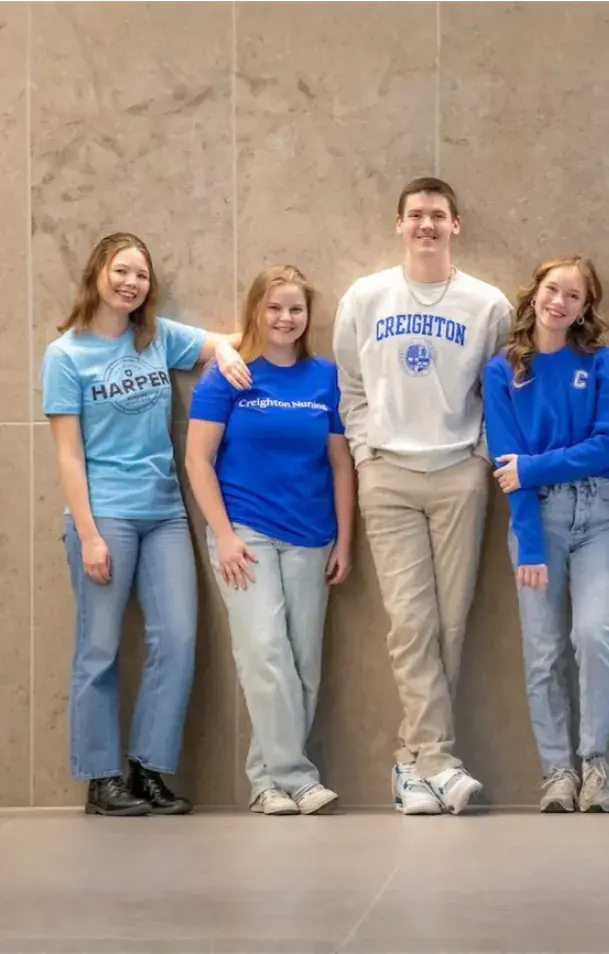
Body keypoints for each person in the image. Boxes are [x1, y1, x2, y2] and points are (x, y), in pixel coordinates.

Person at [40, 231, 251, 816]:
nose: (132, 283)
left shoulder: (156, 338)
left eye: (142, 275)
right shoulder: (66, 355)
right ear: (98, 273)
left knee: (178, 640)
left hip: (164, 514)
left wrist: (227, 351)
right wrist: (87, 534)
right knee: (99, 649)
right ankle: (101, 779)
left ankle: (147, 769)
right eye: (122, 271)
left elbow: (228, 342)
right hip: (103, 513)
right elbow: (68, 455)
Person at [331, 176, 512, 815]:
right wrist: (364, 453)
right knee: (411, 623)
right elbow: (350, 386)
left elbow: (499, 393)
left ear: (456, 224)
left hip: (460, 472)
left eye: (438, 215)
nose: (426, 225)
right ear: (399, 224)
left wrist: (481, 458)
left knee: (451, 624)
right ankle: (437, 759)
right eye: (416, 215)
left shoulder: (487, 304)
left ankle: (412, 765)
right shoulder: (365, 296)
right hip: (388, 475)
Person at [185, 265, 354, 817]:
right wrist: (224, 536)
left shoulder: (325, 377)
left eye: (296, 309)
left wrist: (345, 541)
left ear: (308, 317)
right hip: (246, 535)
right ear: (257, 310)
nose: (286, 318)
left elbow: (341, 465)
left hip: (312, 537)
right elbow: (198, 461)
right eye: (275, 307)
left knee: (303, 665)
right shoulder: (228, 376)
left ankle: (265, 780)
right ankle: (297, 777)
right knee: (264, 655)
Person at [482, 255, 609, 813]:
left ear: (586, 307)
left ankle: (594, 763)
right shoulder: (503, 371)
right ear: (534, 293)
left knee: (594, 635)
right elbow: (505, 464)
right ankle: (557, 772)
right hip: (534, 521)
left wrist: (535, 466)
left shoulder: (601, 362)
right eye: (552, 290)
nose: (559, 302)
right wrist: (532, 545)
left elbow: (605, 446)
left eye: (573, 295)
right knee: (542, 653)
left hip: (600, 515)